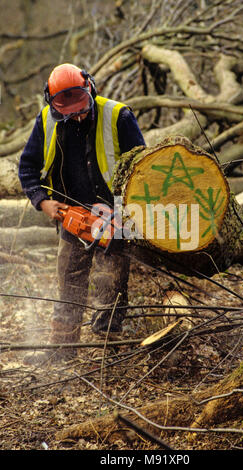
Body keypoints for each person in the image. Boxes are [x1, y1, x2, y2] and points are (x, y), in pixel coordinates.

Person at [18, 63, 145, 363]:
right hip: (72, 217)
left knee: (109, 286)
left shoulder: (118, 116)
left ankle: (107, 353)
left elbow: (144, 170)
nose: (77, 115)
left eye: (81, 108)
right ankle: (62, 352)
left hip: (115, 217)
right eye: (69, 112)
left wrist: (124, 216)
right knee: (68, 285)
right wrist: (42, 201)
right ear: (53, 104)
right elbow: (27, 168)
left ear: (90, 88)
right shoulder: (47, 122)